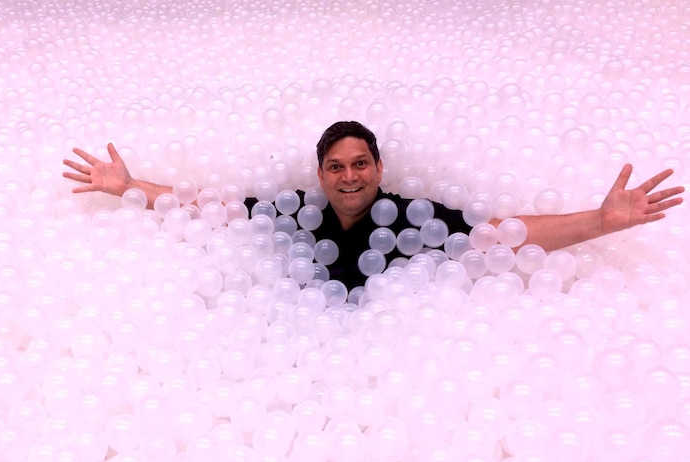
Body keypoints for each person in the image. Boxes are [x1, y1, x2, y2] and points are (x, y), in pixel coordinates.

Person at [63, 121, 684, 289]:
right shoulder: (293, 213)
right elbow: (204, 207)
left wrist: (600, 222)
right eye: (336, 166)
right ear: (320, 175)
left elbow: (504, 236)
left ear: (380, 170)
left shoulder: (418, 219)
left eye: (361, 163)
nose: (349, 174)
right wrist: (131, 186)